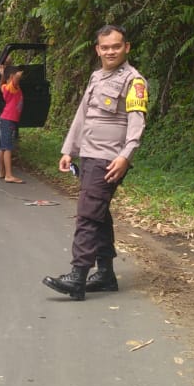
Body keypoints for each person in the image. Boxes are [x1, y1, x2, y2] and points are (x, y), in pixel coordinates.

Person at [43, 25, 147, 300]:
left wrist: (125, 156)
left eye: (116, 46)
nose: (110, 51)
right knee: (99, 214)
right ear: (97, 49)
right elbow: (82, 116)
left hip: (109, 159)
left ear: (127, 47)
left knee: (88, 214)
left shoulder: (134, 81)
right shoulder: (96, 77)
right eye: (105, 47)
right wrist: (70, 150)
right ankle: (105, 274)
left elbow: (137, 124)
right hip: (89, 154)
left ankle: (77, 276)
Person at [0, 65, 24, 183]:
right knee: (7, 147)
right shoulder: (12, 87)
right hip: (8, 119)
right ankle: (9, 175)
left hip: (6, 119)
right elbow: (16, 78)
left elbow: (0, 85)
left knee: (3, 147)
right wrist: (19, 73)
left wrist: (3, 74)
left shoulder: (4, 87)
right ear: (12, 77)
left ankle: (2, 171)